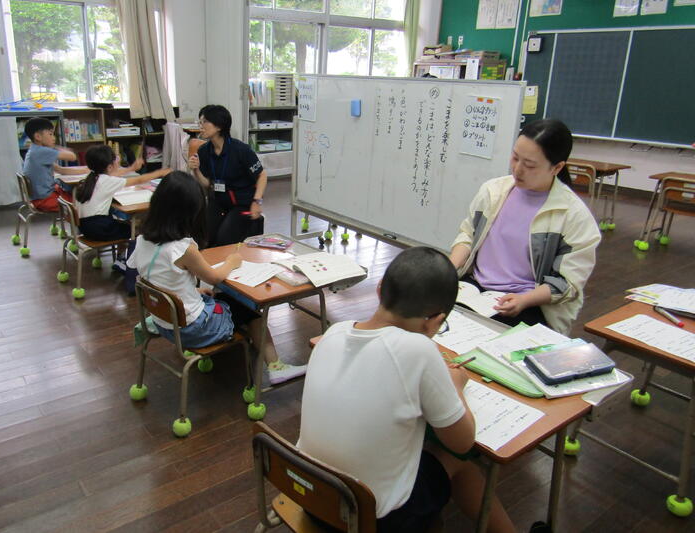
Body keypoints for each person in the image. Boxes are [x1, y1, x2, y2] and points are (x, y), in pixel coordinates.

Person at [298, 247, 516, 533]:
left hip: (310, 495)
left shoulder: (333, 333)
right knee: (459, 461)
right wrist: (456, 385)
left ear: (379, 289)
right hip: (367, 521)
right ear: (435, 321)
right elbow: (462, 443)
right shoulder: (420, 351)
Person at [127, 171, 306, 385]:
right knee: (252, 312)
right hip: (193, 330)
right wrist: (232, 261)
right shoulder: (183, 248)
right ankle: (276, 367)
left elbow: (160, 279)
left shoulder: (142, 241)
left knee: (225, 300)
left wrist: (191, 291)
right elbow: (214, 277)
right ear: (187, 213)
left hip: (165, 324)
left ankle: (245, 345)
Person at [449, 118, 601, 334]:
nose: (517, 169)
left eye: (529, 165)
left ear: (557, 167)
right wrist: (449, 269)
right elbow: (468, 234)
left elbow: (568, 283)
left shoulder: (572, 215)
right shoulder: (494, 191)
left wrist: (524, 300)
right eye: (515, 157)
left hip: (530, 303)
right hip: (474, 288)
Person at [187, 104, 266, 246]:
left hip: (242, 204)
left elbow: (262, 176)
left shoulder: (241, 150)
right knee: (202, 237)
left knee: (224, 240)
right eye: (200, 122)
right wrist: (196, 170)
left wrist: (257, 202)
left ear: (219, 126)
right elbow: (207, 184)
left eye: (205, 121)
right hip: (219, 201)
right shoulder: (204, 151)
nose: (200, 126)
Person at [22, 117, 137, 212]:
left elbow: (61, 170)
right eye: (51, 134)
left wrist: (86, 170)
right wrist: (54, 147)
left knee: (81, 193)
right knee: (86, 201)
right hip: (45, 199)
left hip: (42, 196)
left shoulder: (34, 151)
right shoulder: (41, 151)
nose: (54, 138)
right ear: (38, 137)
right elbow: (72, 156)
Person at [74, 144, 171, 242]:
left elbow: (114, 174)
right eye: (115, 159)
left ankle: (121, 251)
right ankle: (131, 250)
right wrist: (161, 172)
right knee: (136, 229)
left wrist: (131, 168)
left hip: (85, 228)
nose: (118, 160)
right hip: (99, 229)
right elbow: (139, 180)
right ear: (110, 167)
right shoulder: (107, 181)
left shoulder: (90, 178)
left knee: (125, 224)